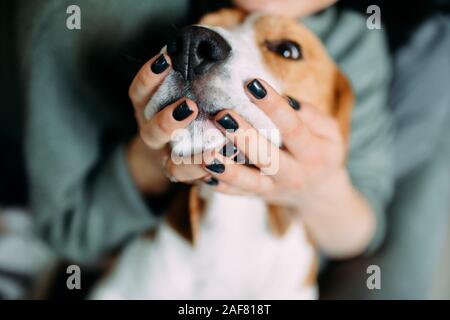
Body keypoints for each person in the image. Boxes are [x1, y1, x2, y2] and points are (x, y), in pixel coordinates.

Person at [22, 0, 393, 271]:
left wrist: (318, 187)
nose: (198, 52)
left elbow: (363, 229)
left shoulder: (356, 42)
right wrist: (152, 157)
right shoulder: (83, 14)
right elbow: (67, 233)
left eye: (285, 49)